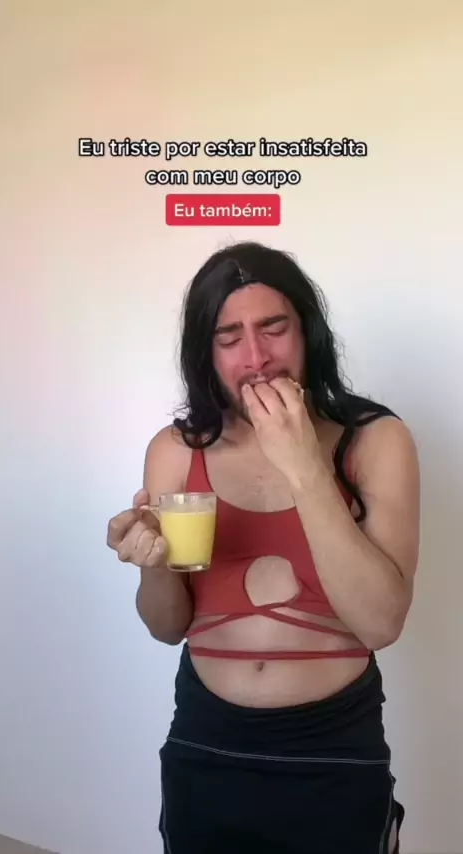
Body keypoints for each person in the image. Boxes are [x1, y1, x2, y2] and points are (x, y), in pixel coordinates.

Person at [107, 242, 420, 854]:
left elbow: (381, 624)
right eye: (229, 338)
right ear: (205, 352)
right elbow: (167, 628)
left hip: (333, 746)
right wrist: (153, 567)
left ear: (307, 332)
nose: (256, 358)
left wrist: (304, 466)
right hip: (205, 739)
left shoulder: (376, 440)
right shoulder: (176, 450)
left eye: (274, 328)